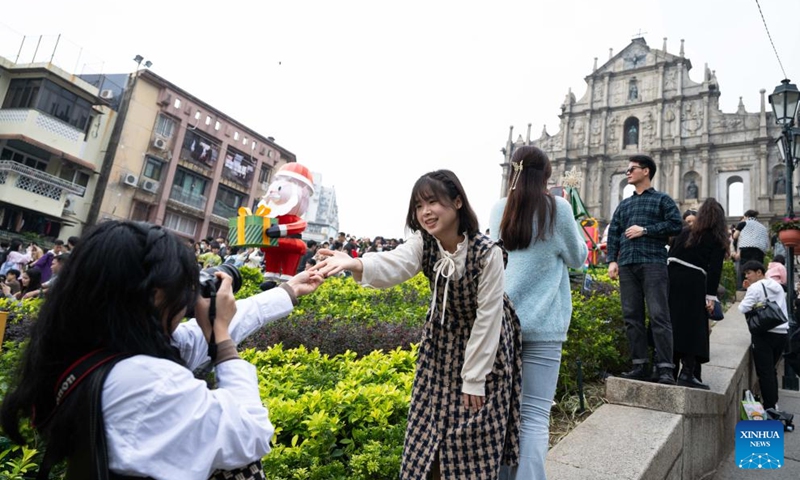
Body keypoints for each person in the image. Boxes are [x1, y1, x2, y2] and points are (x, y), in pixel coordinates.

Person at [0, 221, 324, 479]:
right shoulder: (146, 381)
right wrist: (223, 340)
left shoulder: (91, 351)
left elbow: (194, 336)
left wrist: (288, 290)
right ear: (155, 295)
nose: (186, 302)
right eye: (182, 288)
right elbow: (249, 436)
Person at [313, 169, 522, 479]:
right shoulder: (424, 242)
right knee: (426, 439)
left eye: (433, 202)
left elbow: (488, 318)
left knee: (470, 442)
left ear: (458, 202)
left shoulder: (486, 253)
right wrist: (356, 263)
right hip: (439, 347)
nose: (425, 212)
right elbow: (395, 262)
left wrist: (475, 377)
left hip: (484, 351)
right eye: (419, 205)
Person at [488, 146, 588, 480]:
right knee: (533, 417)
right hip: (544, 326)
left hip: (503, 325)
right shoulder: (557, 209)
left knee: (502, 415)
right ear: (545, 176)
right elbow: (578, 258)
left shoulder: (499, 209)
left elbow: (492, 260)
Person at [607, 154, 683, 384]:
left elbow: (676, 225)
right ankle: (639, 365)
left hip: (653, 263)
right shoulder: (624, 204)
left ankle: (665, 368)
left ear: (646, 171)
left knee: (659, 315)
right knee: (632, 317)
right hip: (627, 264)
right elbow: (614, 232)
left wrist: (646, 230)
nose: (628, 173)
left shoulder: (662, 200)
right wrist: (612, 260)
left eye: (632, 169)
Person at [667, 198, 728, 389]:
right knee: (694, 328)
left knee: (673, 324)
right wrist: (710, 296)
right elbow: (714, 270)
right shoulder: (716, 238)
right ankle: (687, 373)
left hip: (673, 281)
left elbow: (670, 256)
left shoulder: (685, 231)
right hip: (694, 284)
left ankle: (667, 370)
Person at [738, 261, 789, 411]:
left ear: (759, 272)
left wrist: (748, 291)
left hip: (764, 333)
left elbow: (743, 308)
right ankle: (774, 403)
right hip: (781, 332)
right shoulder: (777, 286)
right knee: (771, 370)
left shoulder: (754, 287)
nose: (747, 276)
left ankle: (770, 407)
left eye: (749, 273)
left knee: (765, 372)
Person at [733, 210, 769, 290]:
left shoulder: (743, 223)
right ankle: (758, 286)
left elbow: (735, 236)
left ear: (746, 216)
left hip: (746, 248)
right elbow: (766, 241)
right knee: (757, 267)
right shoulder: (762, 227)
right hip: (760, 250)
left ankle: (745, 286)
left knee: (745, 267)